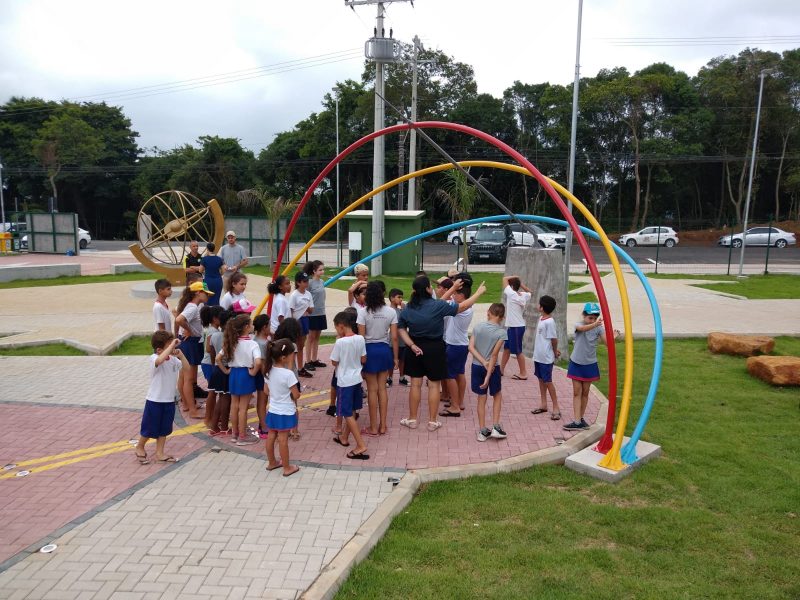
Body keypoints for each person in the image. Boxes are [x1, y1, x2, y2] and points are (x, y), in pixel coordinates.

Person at [398, 276, 486, 432]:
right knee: (433, 385)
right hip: (435, 348)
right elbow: (462, 306)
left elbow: (401, 329)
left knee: (416, 385)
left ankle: (412, 419)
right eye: (431, 287)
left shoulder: (408, 308)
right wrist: (478, 293)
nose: (433, 289)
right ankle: (432, 421)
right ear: (427, 289)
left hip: (415, 348)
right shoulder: (437, 306)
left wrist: (411, 344)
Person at [134, 330, 189, 465]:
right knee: (149, 428)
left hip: (169, 400)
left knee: (164, 428)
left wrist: (182, 356)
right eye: (169, 345)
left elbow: (187, 369)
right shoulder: (154, 359)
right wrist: (171, 347)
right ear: (159, 349)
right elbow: (159, 360)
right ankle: (140, 446)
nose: (173, 347)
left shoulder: (173, 360)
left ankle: (160, 453)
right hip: (155, 400)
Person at [564, 302, 620, 431]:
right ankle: (577, 421)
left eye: (595, 318)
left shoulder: (599, 328)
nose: (592, 320)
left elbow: (607, 343)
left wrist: (614, 336)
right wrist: (595, 324)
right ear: (584, 315)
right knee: (576, 392)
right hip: (576, 363)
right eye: (590, 317)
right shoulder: (579, 325)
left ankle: (580, 419)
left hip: (590, 364)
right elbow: (582, 329)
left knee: (585, 393)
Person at [357, 282, 398, 436]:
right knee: (382, 388)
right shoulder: (390, 312)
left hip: (368, 350)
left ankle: (373, 427)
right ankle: (383, 425)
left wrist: (360, 357)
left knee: (372, 389)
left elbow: (360, 338)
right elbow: (394, 337)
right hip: (384, 349)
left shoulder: (363, 312)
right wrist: (395, 358)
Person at [330, 311, 369, 460]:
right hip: (357, 379)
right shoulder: (360, 338)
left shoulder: (340, 342)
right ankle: (344, 438)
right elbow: (363, 359)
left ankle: (360, 444)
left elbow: (334, 361)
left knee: (346, 413)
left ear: (341, 326)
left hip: (344, 381)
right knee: (352, 410)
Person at [468, 303, 509, 442]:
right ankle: (496, 427)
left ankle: (482, 430)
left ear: (488, 312)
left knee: (481, 398)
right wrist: (488, 373)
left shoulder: (478, 327)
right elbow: (494, 355)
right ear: (502, 317)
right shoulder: (502, 332)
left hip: (476, 366)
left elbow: (471, 347)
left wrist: (482, 362)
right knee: (497, 395)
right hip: (493, 368)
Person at [219, 314, 261, 446]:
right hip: (245, 374)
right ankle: (242, 436)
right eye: (251, 324)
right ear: (246, 327)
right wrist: (253, 372)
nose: (253, 326)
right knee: (243, 408)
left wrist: (225, 370)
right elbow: (258, 362)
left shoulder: (232, 341)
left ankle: (235, 434)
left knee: (234, 405)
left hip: (233, 374)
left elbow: (217, 359)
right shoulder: (252, 344)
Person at [174, 281, 213, 418]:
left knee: (184, 377)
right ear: (198, 292)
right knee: (189, 379)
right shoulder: (193, 308)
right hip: (190, 343)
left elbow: (177, 319)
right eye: (205, 293)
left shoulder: (191, 305)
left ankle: (186, 403)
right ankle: (192, 410)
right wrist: (189, 330)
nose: (208, 296)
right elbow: (179, 319)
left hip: (188, 343)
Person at [263, 338, 301, 477]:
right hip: (285, 412)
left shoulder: (268, 371)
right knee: (283, 439)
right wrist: (294, 395)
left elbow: (266, 391)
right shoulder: (288, 374)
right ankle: (287, 467)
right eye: (292, 354)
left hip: (273, 409)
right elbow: (296, 395)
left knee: (272, 435)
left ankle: (272, 462)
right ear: (284, 357)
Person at [438, 281, 474, 417]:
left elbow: (440, 303)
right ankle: (459, 401)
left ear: (462, 295)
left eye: (455, 293)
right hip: (461, 344)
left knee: (449, 375)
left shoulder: (460, 308)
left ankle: (455, 406)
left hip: (454, 346)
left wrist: (449, 290)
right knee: (459, 373)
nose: (453, 295)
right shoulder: (468, 306)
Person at [531, 295, 562, 421]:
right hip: (538, 356)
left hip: (546, 358)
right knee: (540, 379)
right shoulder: (541, 318)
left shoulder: (550, 322)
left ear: (542, 307)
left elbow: (553, 339)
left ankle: (556, 408)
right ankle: (543, 404)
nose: (538, 305)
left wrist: (555, 352)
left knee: (548, 381)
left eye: (539, 304)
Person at [207, 310, 234, 436]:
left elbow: (211, 353)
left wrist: (214, 367)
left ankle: (214, 426)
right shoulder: (229, 338)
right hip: (226, 369)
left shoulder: (215, 336)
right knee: (226, 399)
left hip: (217, 369)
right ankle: (223, 427)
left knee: (221, 398)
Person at [500, 275, 532, 379]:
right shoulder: (523, 295)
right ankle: (501, 370)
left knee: (518, 351)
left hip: (516, 327)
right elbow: (530, 292)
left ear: (511, 285)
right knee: (507, 348)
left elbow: (504, 279)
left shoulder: (511, 294)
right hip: (515, 326)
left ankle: (523, 373)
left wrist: (516, 277)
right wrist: (521, 284)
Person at [200, 305, 223, 427]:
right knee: (212, 392)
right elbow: (209, 348)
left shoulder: (215, 330)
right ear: (215, 319)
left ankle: (213, 415)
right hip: (209, 364)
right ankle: (207, 418)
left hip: (210, 363)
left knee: (214, 391)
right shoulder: (212, 331)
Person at [289, 271, 315, 378]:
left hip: (305, 319)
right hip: (297, 320)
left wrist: (306, 307)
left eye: (307, 281)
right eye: (304, 281)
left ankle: (300, 367)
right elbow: (291, 310)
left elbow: (311, 309)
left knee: (301, 345)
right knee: (296, 345)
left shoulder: (308, 294)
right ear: (298, 283)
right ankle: (293, 368)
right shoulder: (294, 295)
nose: (306, 283)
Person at [304, 260, 327, 370]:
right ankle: (307, 361)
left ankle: (314, 359)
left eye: (323, 269)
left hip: (321, 312)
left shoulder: (322, 281)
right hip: (312, 314)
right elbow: (306, 297)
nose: (322, 271)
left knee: (317, 336)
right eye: (320, 270)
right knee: (310, 337)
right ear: (314, 271)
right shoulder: (309, 283)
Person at [252, 314, 271, 439]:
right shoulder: (263, 343)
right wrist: (268, 378)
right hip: (263, 375)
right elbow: (263, 363)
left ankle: (263, 423)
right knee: (262, 400)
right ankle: (263, 426)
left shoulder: (254, 339)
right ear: (264, 327)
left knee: (262, 400)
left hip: (261, 375)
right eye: (269, 325)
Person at [387, 288, 408, 386]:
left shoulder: (401, 310)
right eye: (399, 297)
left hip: (402, 340)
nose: (401, 300)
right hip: (392, 340)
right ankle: (389, 377)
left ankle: (402, 377)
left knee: (402, 360)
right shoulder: (389, 311)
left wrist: (405, 310)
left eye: (402, 297)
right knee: (391, 360)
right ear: (391, 298)